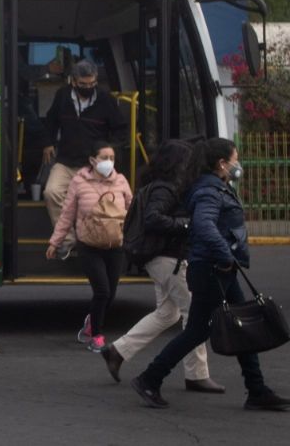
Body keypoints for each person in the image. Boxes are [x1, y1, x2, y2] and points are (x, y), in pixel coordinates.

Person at [131, 138, 290, 411]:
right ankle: (150, 377)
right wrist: (225, 255)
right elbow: (204, 225)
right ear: (221, 164)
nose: (237, 164)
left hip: (218, 268)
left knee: (239, 321)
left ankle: (256, 388)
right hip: (212, 269)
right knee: (197, 330)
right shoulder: (208, 191)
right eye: (235, 159)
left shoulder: (214, 186)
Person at [100, 140, 224, 393]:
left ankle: (117, 351)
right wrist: (187, 225)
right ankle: (197, 375)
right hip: (169, 259)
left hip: (158, 259)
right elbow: (154, 219)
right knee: (194, 313)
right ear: (178, 163)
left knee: (168, 313)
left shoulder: (154, 185)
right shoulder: (166, 189)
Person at [46, 141, 132, 353]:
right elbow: (66, 214)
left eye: (111, 158)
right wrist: (55, 242)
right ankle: (97, 336)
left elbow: (132, 210)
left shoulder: (121, 181)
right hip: (89, 245)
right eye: (104, 158)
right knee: (101, 291)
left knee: (111, 292)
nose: (108, 162)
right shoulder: (79, 181)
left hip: (115, 245)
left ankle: (91, 323)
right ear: (93, 160)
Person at [43, 60, 127, 258]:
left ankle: (94, 239)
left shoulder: (106, 99)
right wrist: (47, 143)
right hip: (65, 160)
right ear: (74, 81)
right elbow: (51, 120)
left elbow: (121, 130)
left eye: (92, 84)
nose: (88, 88)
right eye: (83, 85)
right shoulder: (62, 96)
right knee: (51, 192)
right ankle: (68, 241)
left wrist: (107, 152)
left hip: (93, 165)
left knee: (96, 200)